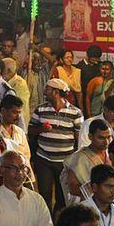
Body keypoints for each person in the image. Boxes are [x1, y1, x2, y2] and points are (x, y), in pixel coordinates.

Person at [29, 77, 84, 212]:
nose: (44, 92)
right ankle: (46, 224)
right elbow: (30, 130)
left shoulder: (75, 113)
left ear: (55, 92)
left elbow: (79, 138)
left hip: (64, 162)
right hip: (44, 160)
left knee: (62, 197)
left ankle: (58, 224)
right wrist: (41, 129)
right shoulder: (40, 110)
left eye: (47, 89)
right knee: (44, 195)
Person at [62, 118, 112, 205]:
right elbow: (73, 188)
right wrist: (98, 193)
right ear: (90, 137)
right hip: (87, 207)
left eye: (108, 137)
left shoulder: (111, 155)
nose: (106, 142)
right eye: (101, 138)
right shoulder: (78, 158)